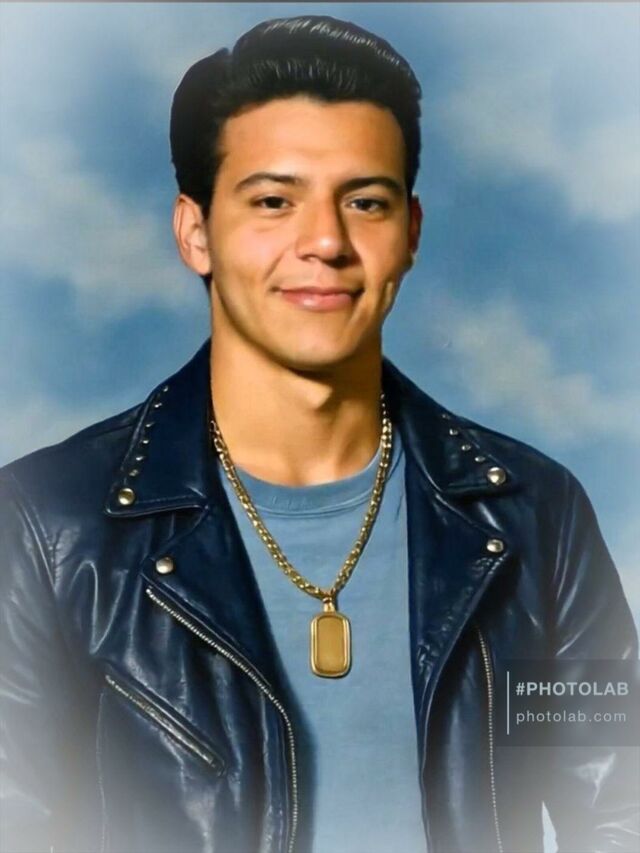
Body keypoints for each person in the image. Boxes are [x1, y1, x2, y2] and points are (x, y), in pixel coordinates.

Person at [0, 14, 637, 853]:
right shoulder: (49, 523)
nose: (327, 242)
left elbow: (619, 809)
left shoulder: (532, 516)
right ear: (196, 232)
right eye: (274, 201)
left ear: (410, 232)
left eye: (365, 202)